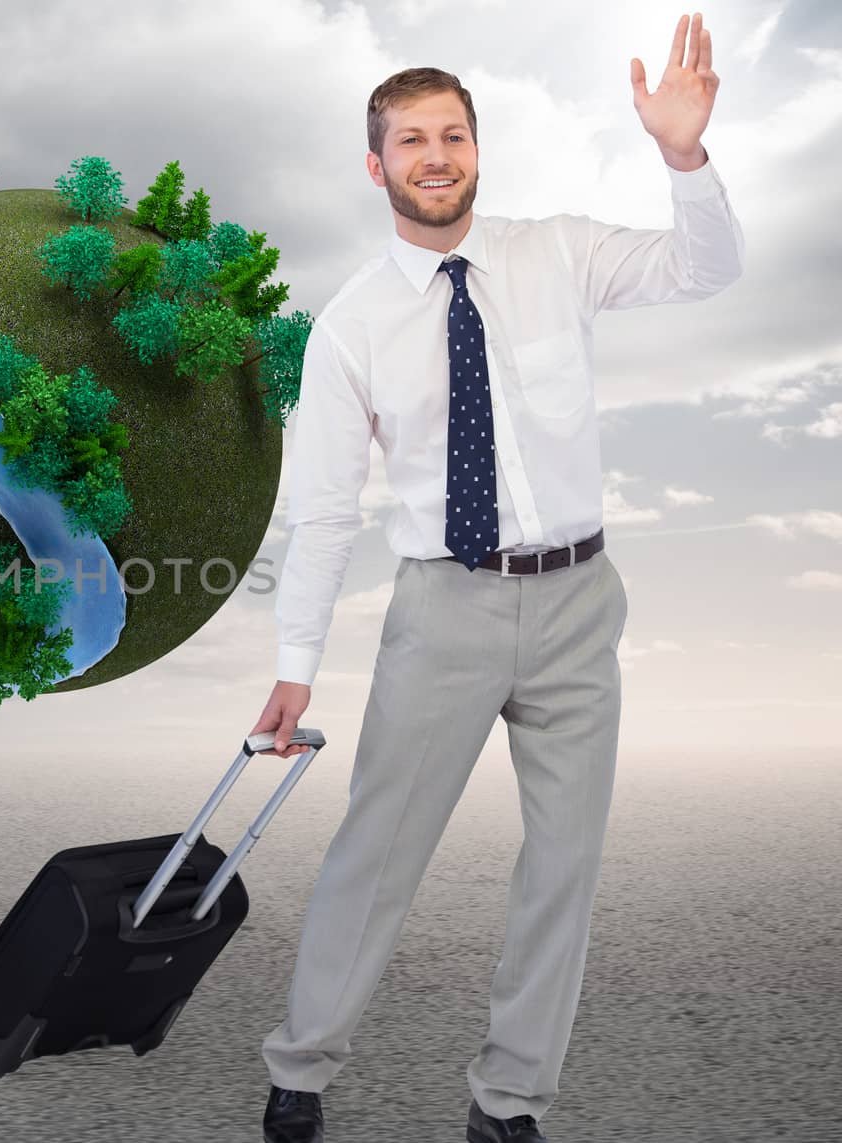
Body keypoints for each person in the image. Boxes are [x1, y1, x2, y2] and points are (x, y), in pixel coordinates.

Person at [250, 15, 743, 1143]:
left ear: (479, 149)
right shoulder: (351, 327)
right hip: (445, 607)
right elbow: (325, 509)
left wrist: (682, 156)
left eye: (455, 135)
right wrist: (294, 665)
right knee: (376, 853)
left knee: (563, 865)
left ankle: (508, 1102)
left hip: (579, 603)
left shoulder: (556, 251)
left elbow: (706, 268)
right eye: (412, 139)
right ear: (374, 165)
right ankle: (302, 1073)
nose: (437, 156)